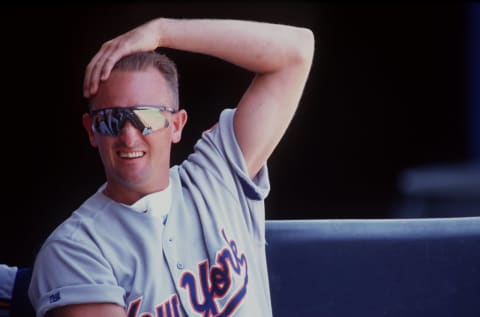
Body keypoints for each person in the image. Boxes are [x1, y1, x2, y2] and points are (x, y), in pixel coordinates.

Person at [28, 17, 314, 317]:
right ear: (91, 130)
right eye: (112, 119)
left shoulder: (218, 175)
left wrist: (162, 31)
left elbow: (296, 51)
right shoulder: (73, 250)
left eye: (147, 117)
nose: (128, 135)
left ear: (176, 125)